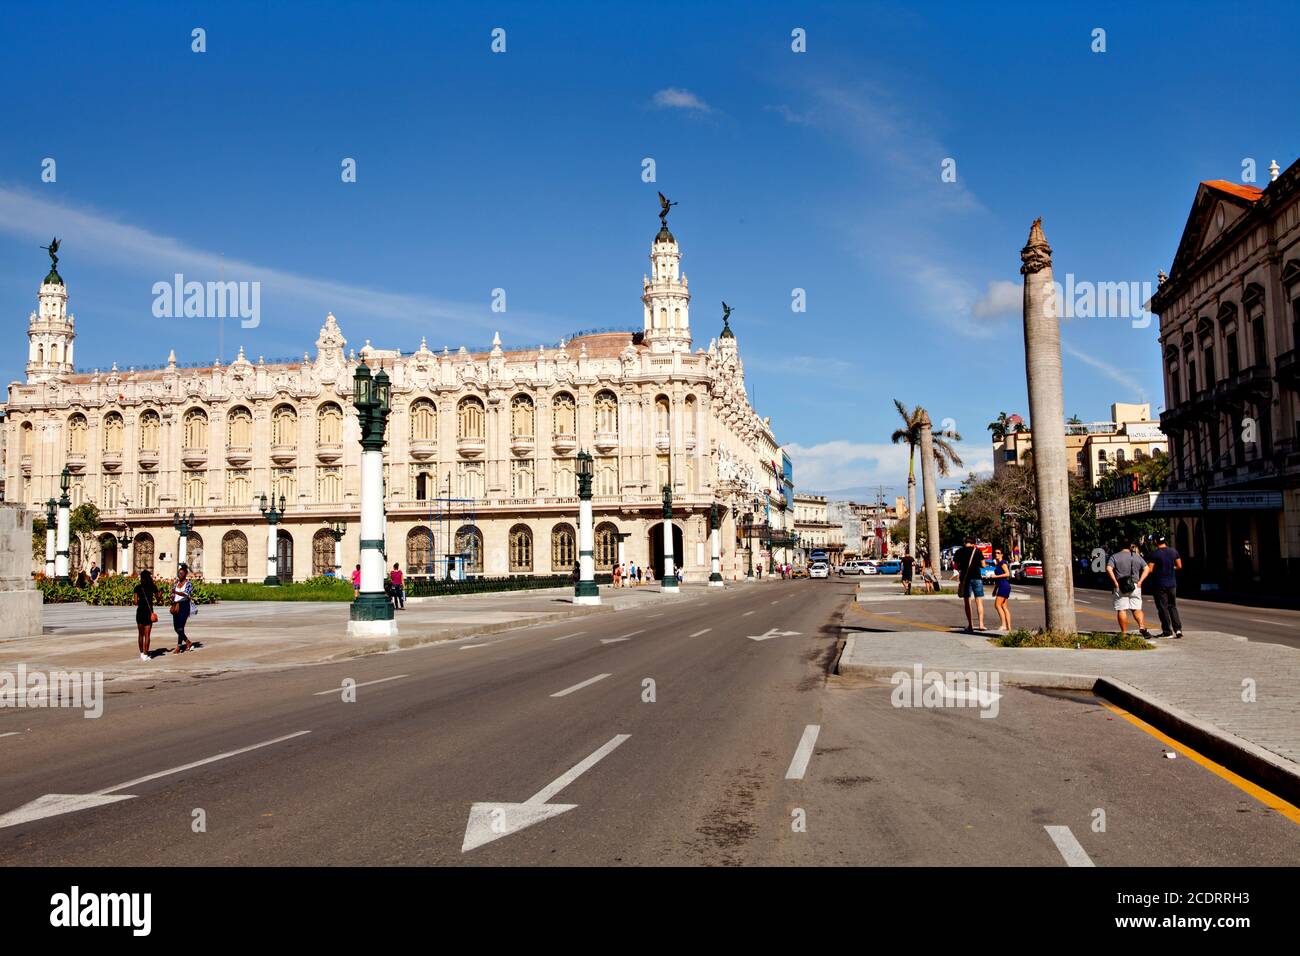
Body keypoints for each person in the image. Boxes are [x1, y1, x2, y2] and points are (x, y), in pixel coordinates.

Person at [1107, 539, 1152, 638]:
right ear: (1130, 546)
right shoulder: (1136, 556)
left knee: (1122, 609)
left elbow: (1109, 568)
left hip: (1121, 586)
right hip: (1135, 585)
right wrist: (1140, 581)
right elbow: (1147, 568)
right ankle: (1142, 627)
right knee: (1137, 609)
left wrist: (1115, 582)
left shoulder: (1114, 556)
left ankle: (1123, 633)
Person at [1146, 535, 1183, 639]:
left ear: (1155, 542)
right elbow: (1179, 566)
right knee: (1172, 606)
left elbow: (1150, 569)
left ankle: (1167, 631)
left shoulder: (1155, 554)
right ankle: (1178, 630)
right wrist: (1170, 568)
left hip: (1160, 584)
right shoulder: (1173, 551)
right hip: (1172, 584)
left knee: (1163, 608)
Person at [953, 536, 987, 633]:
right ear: (973, 543)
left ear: (965, 542)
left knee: (967, 602)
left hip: (965, 578)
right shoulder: (977, 551)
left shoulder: (959, 551)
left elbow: (955, 565)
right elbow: (983, 565)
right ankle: (981, 624)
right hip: (977, 577)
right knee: (979, 601)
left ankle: (971, 625)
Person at [133, 569, 161, 662]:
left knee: (140, 634)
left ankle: (141, 653)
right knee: (147, 635)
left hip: (140, 612)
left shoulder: (137, 587)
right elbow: (158, 599)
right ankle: (146, 654)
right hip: (148, 612)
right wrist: (160, 593)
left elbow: (135, 602)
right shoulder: (153, 587)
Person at [170, 563, 195, 653]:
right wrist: (172, 596)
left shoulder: (188, 584)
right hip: (176, 605)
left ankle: (179, 646)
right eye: (178, 573)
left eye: (181, 574)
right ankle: (188, 642)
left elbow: (186, 594)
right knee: (176, 628)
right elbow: (173, 594)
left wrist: (175, 592)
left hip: (184, 606)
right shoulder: (176, 583)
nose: (179, 575)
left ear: (185, 574)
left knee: (180, 627)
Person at [990, 547, 1013, 632]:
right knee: (1004, 606)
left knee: (997, 605)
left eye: (998, 553)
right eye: (995, 553)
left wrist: (995, 576)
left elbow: (1007, 573)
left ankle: (1003, 625)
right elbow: (998, 580)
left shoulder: (1002, 563)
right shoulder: (998, 564)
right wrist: (995, 589)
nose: (996, 554)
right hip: (1003, 585)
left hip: (1004, 585)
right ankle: (1009, 627)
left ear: (1002, 554)